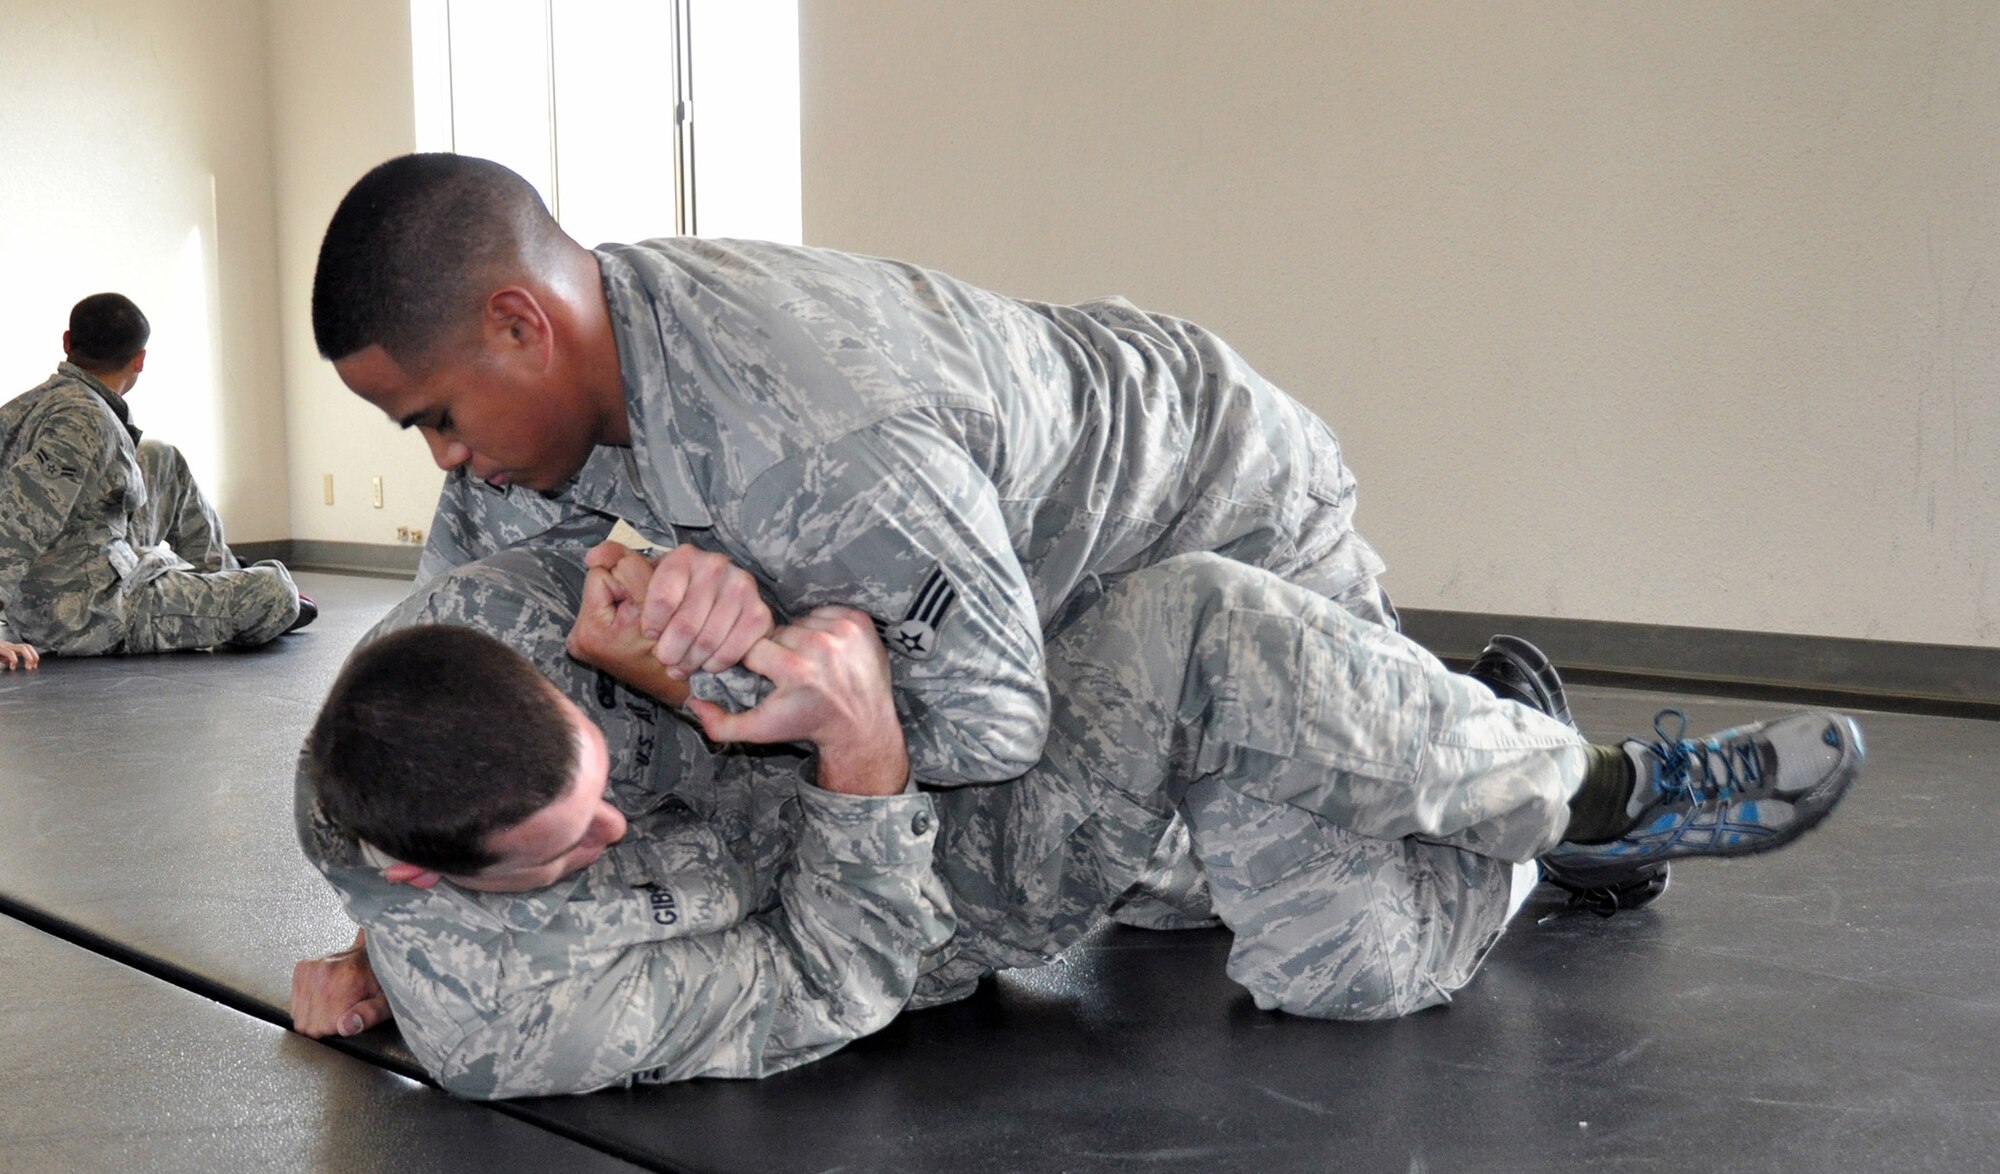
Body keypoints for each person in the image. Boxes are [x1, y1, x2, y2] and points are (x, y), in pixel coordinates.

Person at [308, 151, 1661, 912]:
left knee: (1334, 944)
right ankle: (1435, 744)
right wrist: (398, 910)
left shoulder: (818, 442)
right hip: (1020, 574)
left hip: (1211, 508)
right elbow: (438, 681)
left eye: (433, 418)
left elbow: (990, 728)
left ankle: (1553, 779)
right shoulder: (533, 424)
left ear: (520, 326)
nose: (442, 461)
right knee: (1151, 905)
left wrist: (722, 680)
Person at [291, 544, 1863, 1099]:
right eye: (572, 844)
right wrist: (862, 758)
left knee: (1186, 624)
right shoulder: (515, 1020)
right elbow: (832, 984)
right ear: (434, 874)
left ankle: (1604, 786)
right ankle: (1531, 823)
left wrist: (727, 594)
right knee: (1342, 964)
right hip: (933, 892)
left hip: (962, 743)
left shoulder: (494, 610)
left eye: (593, 768)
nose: (617, 819)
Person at [0, 293, 311, 657]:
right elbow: (16, 525)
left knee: (159, 457)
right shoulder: (82, 420)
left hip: (85, 564)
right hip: (84, 617)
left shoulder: (29, 405)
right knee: (274, 590)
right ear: (140, 360)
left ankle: (218, 576)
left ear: (67, 342)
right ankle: (233, 600)